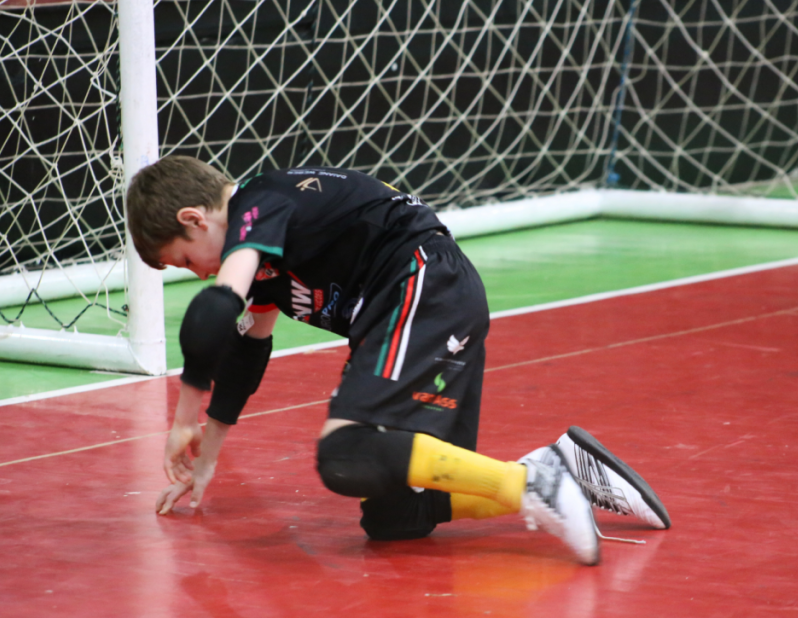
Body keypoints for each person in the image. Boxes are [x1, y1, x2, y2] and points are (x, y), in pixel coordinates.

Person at [127, 156, 670, 565]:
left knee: (344, 451)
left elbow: (214, 313)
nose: (198, 272)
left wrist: (182, 420)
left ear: (195, 218)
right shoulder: (265, 255)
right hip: (426, 301)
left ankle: (532, 485)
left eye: (185, 260)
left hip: (421, 282)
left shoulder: (259, 202)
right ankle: (556, 469)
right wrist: (208, 454)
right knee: (396, 515)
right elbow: (247, 348)